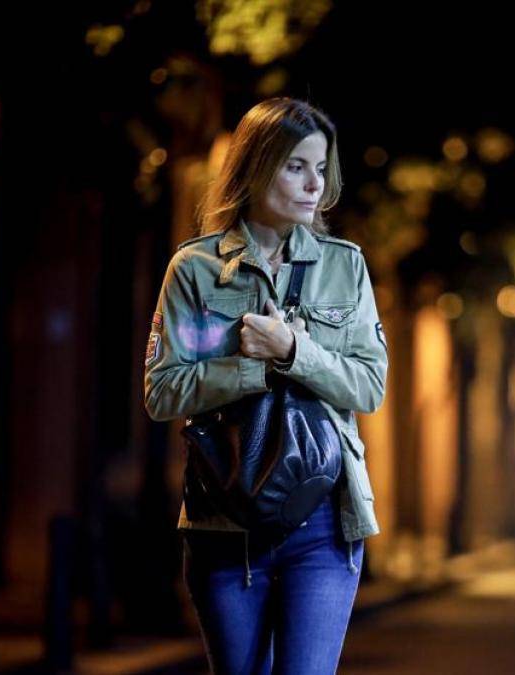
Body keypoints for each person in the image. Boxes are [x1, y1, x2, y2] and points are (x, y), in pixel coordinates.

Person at [143, 97, 388, 674]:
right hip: (224, 518)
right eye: (295, 167)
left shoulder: (344, 265)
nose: (313, 185)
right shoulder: (195, 269)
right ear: (255, 168)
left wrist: (294, 352)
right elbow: (163, 390)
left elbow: (369, 385)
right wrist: (250, 368)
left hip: (325, 519)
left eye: (320, 168)